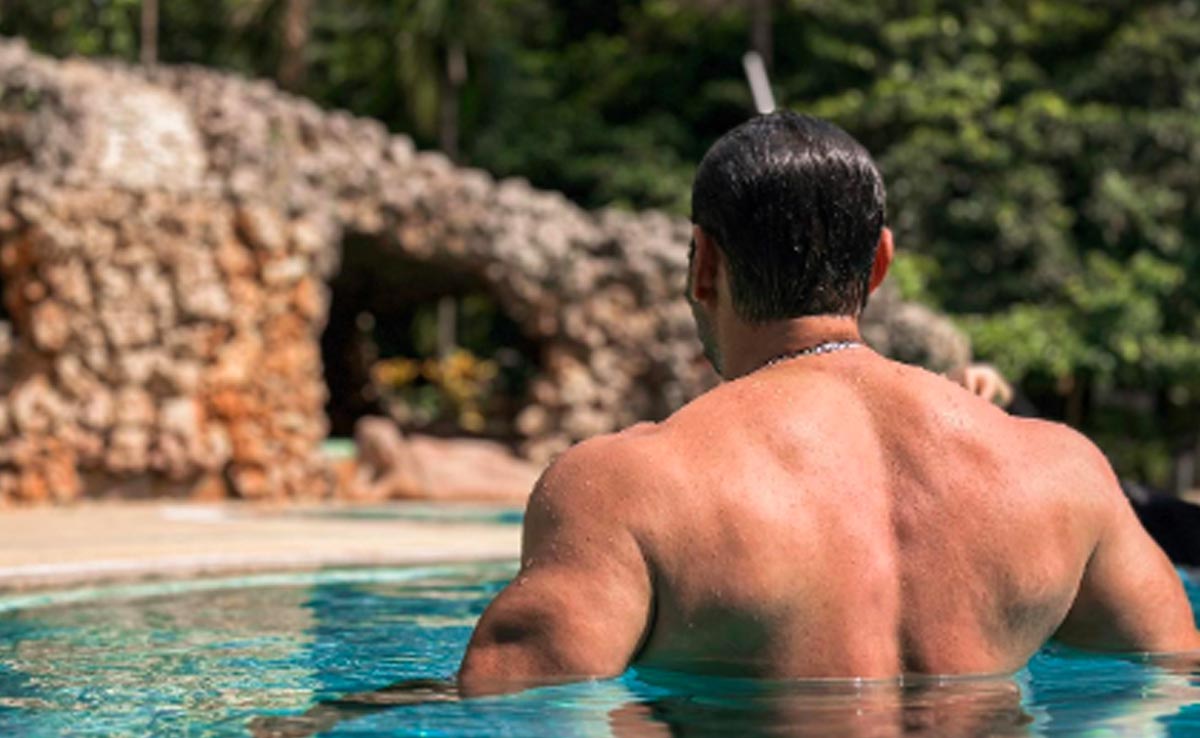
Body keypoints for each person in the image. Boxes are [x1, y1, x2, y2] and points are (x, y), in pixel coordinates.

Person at [456, 111, 1200, 696]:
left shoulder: (625, 487)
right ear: (879, 264)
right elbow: (1168, 681)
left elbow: (518, 710)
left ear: (704, 264)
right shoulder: (1063, 472)